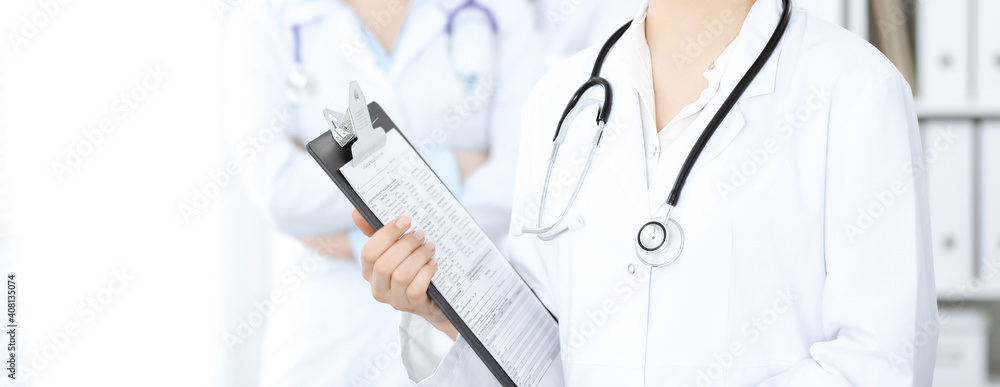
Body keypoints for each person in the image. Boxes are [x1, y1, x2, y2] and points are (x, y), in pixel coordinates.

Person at [353, 0, 939, 385]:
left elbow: (880, 362)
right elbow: (545, 358)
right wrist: (452, 313)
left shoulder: (855, 90)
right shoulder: (562, 100)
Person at [222, 0, 544, 385]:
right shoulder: (265, 21)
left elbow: (524, 177)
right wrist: (456, 165)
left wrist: (359, 240)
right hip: (328, 333)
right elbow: (280, 190)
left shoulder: (500, 11)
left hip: (472, 308)